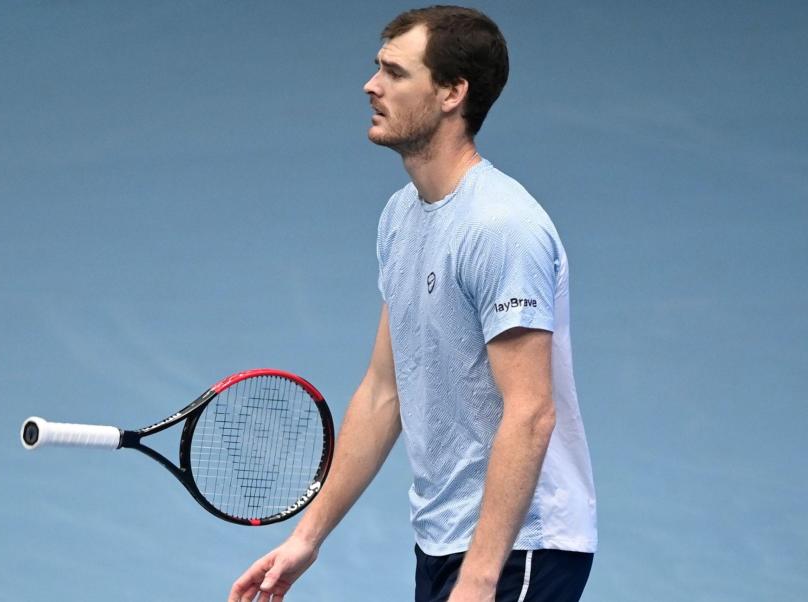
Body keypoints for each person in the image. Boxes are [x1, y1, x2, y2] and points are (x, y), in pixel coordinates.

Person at [229, 6, 597, 602]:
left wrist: (478, 579)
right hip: (443, 541)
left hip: (520, 549)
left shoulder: (502, 227)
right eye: (378, 69)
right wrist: (308, 538)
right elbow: (384, 390)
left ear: (453, 93)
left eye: (396, 73)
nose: (371, 86)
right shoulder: (401, 217)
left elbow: (531, 412)